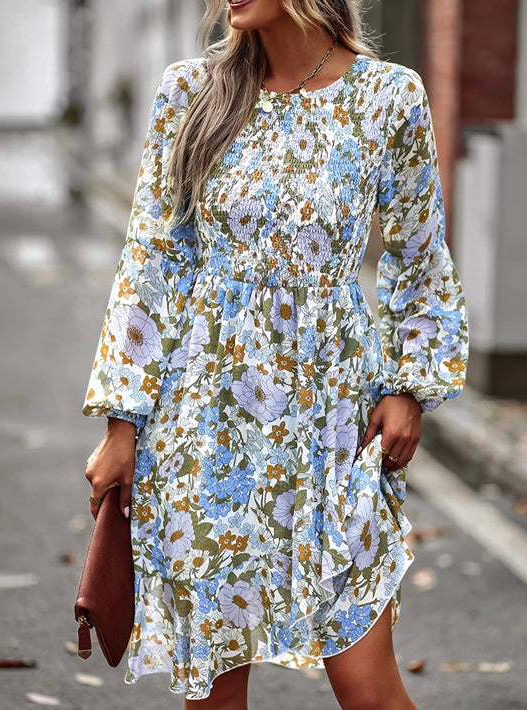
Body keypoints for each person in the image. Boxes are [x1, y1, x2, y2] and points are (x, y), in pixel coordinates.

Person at [82, 0, 469, 708]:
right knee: (216, 697)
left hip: (333, 425)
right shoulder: (190, 92)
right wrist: (121, 422)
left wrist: (409, 386)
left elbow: (419, 258)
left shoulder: (389, 97)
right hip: (204, 428)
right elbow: (151, 260)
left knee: (367, 686)